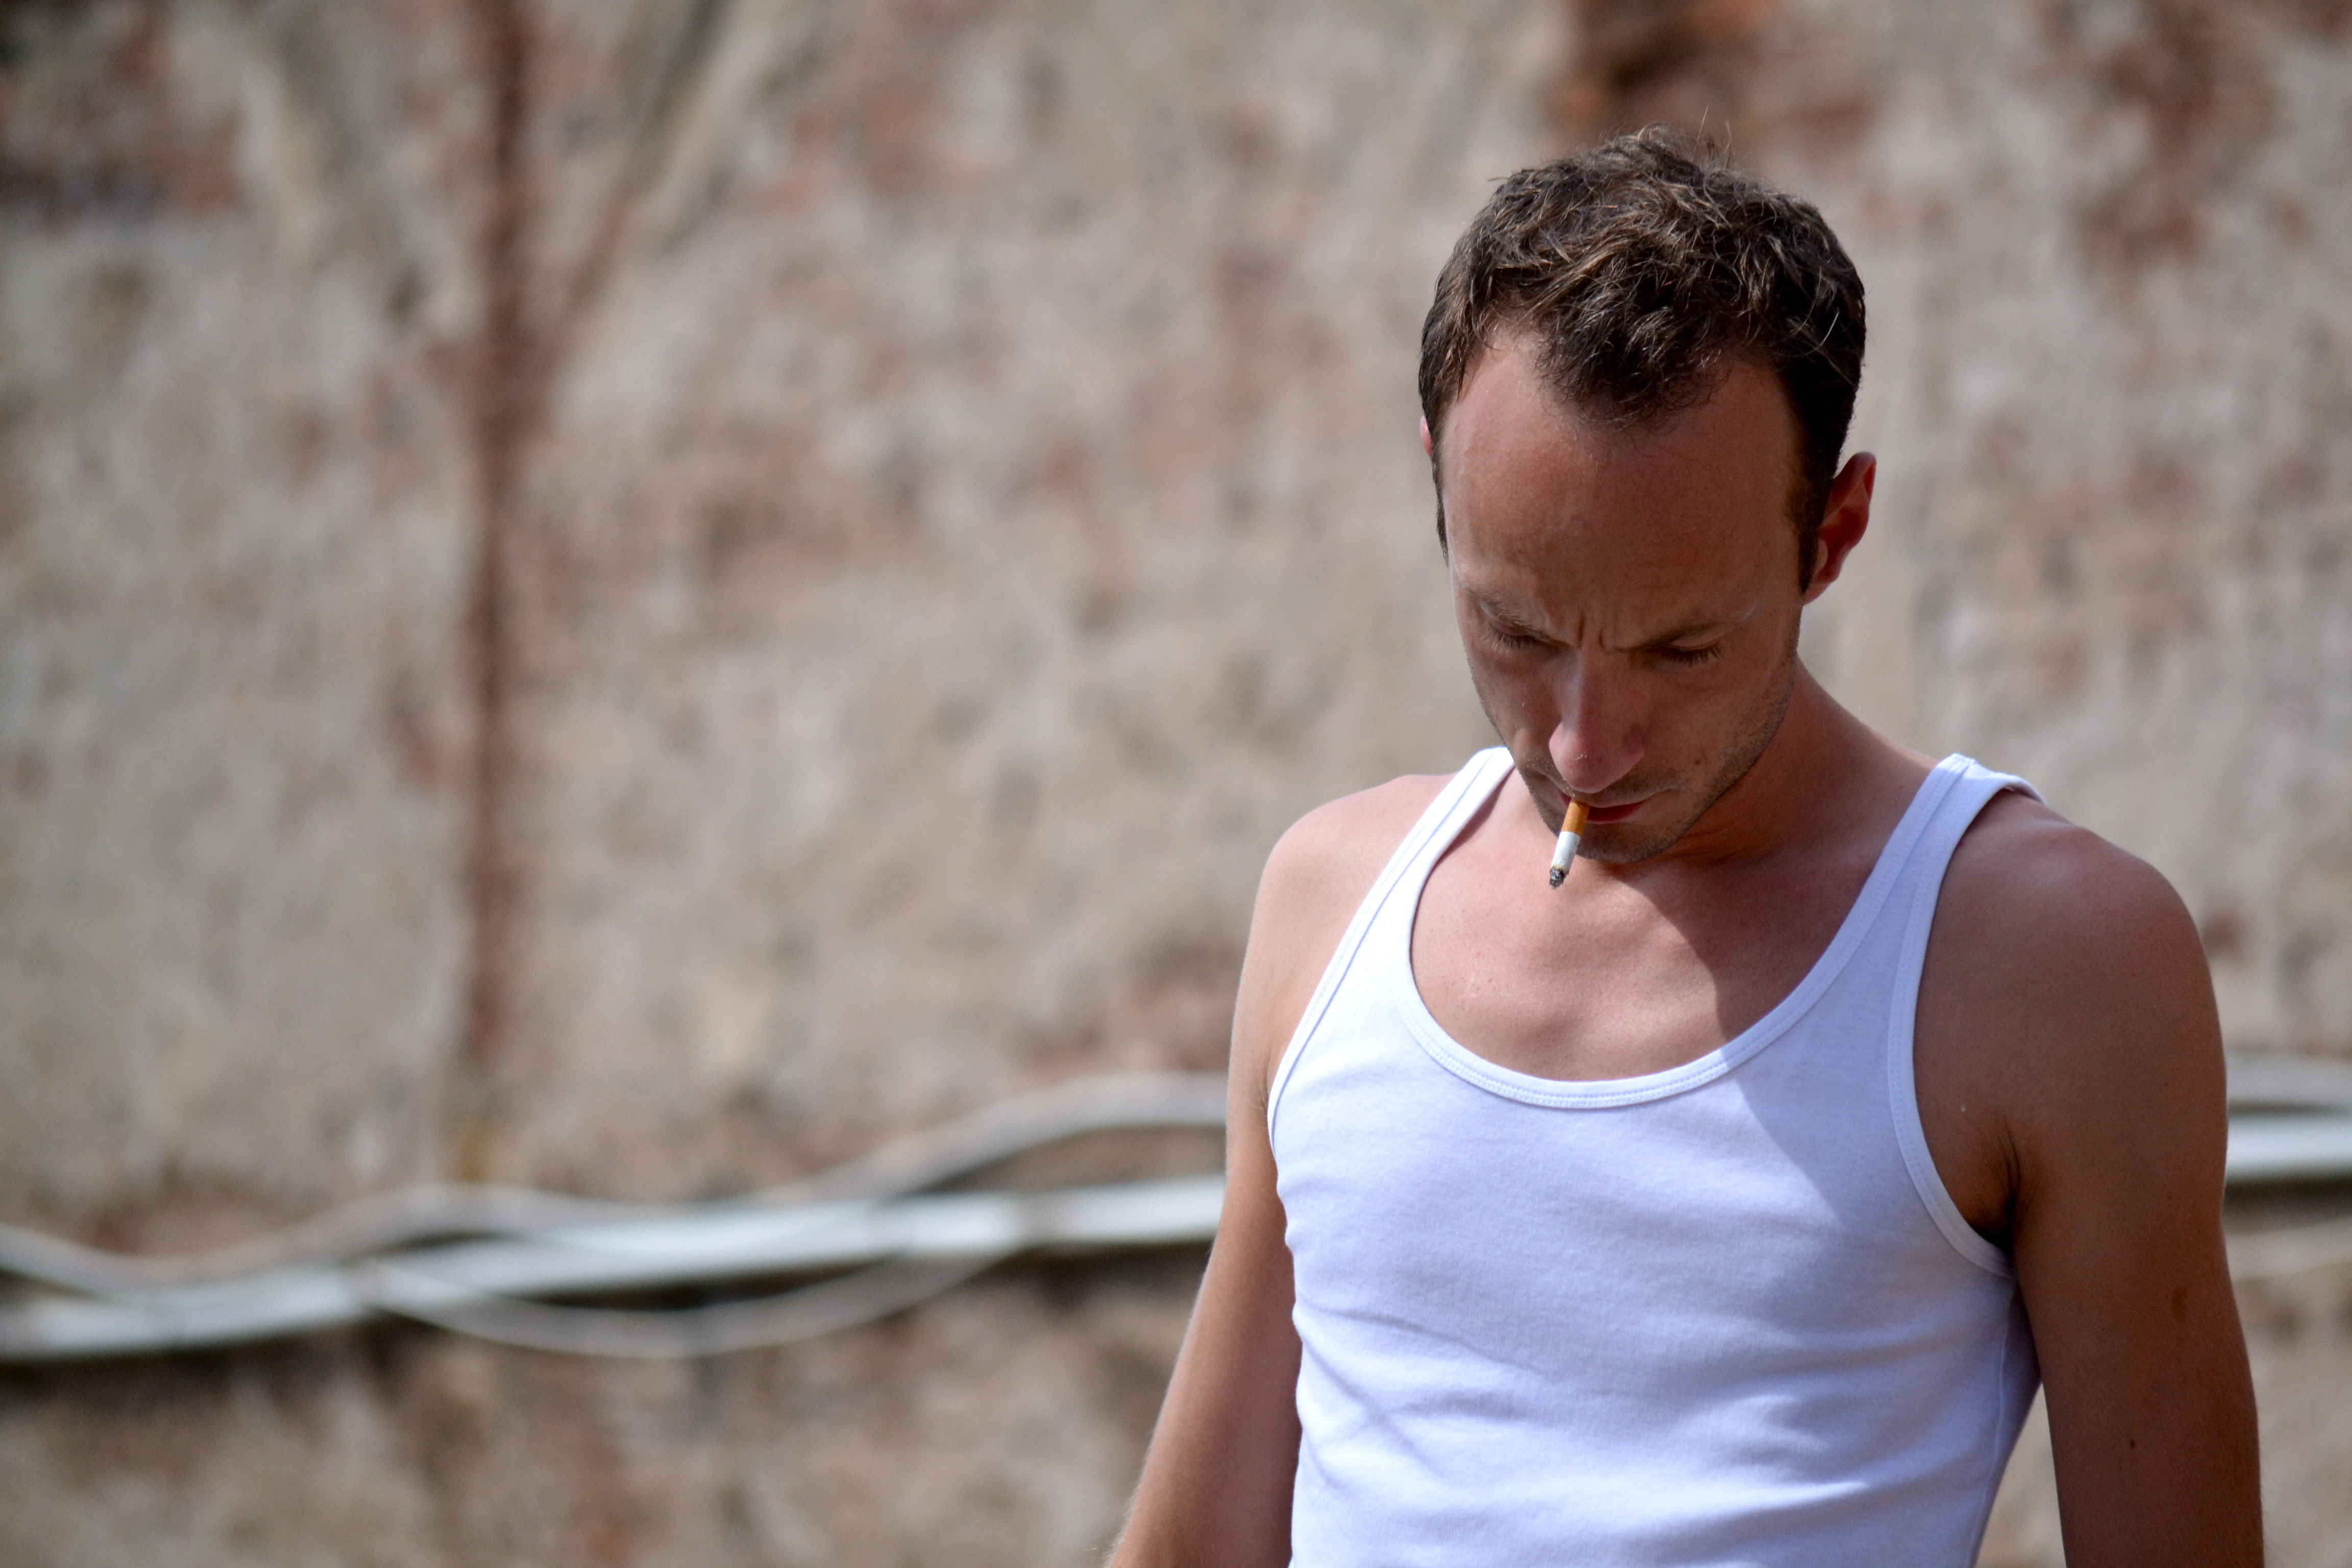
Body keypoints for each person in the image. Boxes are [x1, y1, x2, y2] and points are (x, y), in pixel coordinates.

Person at [1109, 131, 2260, 1567]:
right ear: (1437, 488)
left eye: (1682, 649)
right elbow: (1189, 1550)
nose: (1585, 747)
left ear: (1832, 534)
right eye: (1515, 630)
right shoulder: (1330, 901)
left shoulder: (2050, 962)